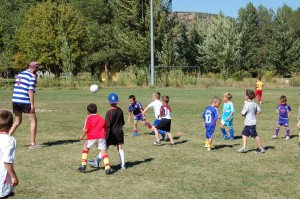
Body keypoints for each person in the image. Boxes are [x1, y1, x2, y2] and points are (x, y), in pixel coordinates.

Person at [9, 61, 40, 149]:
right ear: (34, 68)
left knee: (17, 121)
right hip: (24, 100)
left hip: (15, 100)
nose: (37, 70)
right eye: (37, 68)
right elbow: (30, 91)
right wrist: (32, 105)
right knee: (33, 120)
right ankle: (33, 143)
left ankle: (5, 139)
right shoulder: (32, 76)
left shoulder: (20, 74)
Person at [77, 103, 111, 175]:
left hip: (91, 137)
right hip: (102, 136)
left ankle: (83, 165)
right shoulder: (101, 118)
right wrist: (107, 134)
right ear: (96, 110)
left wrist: (82, 136)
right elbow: (107, 128)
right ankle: (107, 168)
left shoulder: (88, 119)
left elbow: (86, 130)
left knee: (85, 148)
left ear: (88, 112)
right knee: (103, 152)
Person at [238, 89, 265, 154]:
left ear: (247, 96)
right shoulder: (254, 103)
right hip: (249, 123)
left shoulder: (247, 104)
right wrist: (254, 113)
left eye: (245, 95)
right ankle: (244, 148)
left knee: (255, 136)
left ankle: (261, 149)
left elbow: (242, 113)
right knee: (244, 134)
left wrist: (244, 105)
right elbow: (259, 110)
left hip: (250, 123)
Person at [0, 110, 19, 198]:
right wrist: (14, 176)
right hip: (2, 176)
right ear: (11, 125)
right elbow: (7, 161)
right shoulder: (10, 140)